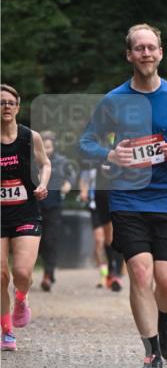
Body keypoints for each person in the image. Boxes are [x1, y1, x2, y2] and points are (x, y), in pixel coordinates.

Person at [80, 23, 167, 368]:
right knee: (139, 272)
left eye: (151, 47)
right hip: (127, 199)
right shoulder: (114, 100)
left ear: (161, 53)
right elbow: (86, 144)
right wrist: (111, 155)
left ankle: (164, 318)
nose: (146, 53)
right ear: (129, 55)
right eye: (139, 48)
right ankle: (152, 354)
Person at [1, 84, 51, 351]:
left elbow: (45, 163)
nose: (6, 106)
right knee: (0, 274)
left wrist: (43, 184)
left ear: (18, 107)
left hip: (26, 211)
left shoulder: (30, 137)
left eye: (10, 102)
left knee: (21, 271)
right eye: (1, 103)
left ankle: (21, 297)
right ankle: (7, 332)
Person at [38, 133, 77, 291]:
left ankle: (48, 274)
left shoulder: (62, 162)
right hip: (36, 207)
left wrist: (68, 184)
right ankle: (48, 270)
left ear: (54, 147)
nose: (46, 150)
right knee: (39, 242)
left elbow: (72, 174)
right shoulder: (35, 161)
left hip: (54, 206)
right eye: (44, 147)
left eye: (48, 147)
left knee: (50, 240)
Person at [78, 160, 124, 291]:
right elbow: (84, 182)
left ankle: (113, 270)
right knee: (99, 239)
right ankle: (103, 274)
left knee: (110, 238)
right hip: (94, 206)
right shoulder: (88, 163)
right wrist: (83, 192)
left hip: (108, 203)